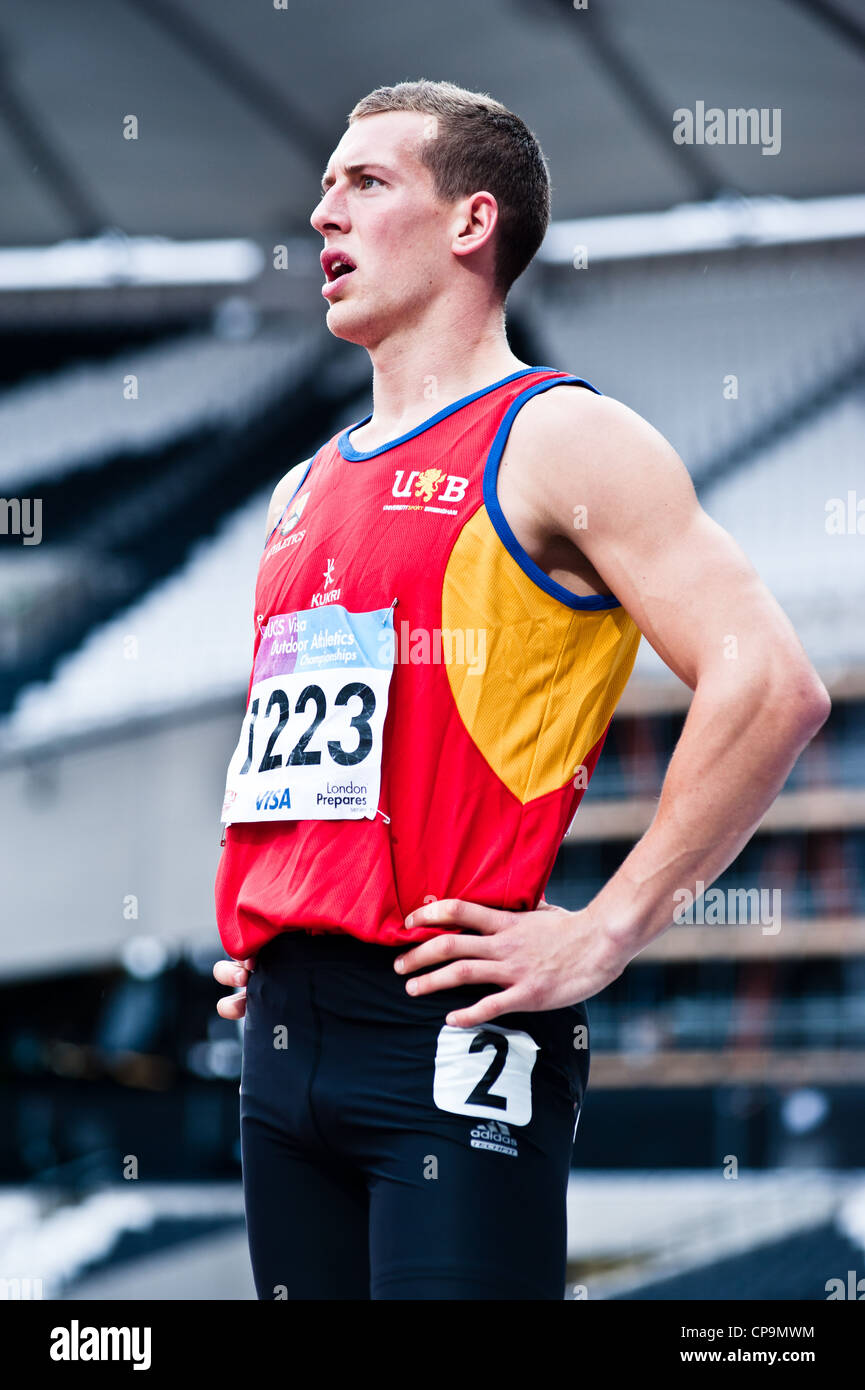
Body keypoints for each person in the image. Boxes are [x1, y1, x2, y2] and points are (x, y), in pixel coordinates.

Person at [212, 80, 830, 1300]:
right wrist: (278, 913)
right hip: (282, 1045)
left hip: (453, 1024)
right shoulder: (299, 490)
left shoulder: (556, 437)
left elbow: (771, 683)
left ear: (470, 223)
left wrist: (607, 929)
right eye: (326, 185)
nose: (323, 214)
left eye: (366, 183)